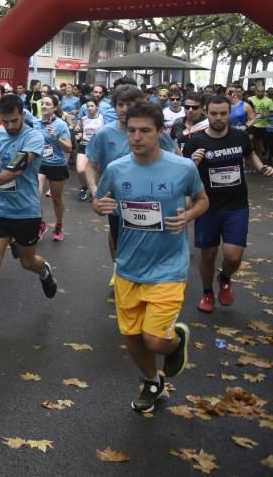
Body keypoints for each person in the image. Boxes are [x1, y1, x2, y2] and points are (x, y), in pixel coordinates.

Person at [92, 101, 208, 413]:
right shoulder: (116, 170)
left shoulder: (182, 168)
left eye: (145, 131)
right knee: (132, 338)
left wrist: (188, 217)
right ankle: (152, 381)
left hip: (169, 266)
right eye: (131, 130)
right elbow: (101, 200)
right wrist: (99, 206)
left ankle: (175, 341)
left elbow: (202, 200)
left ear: (160, 133)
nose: (137, 137)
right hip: (128, 267)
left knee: (155, 340)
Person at [0, 94, 58, 350]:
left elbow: (17, 170)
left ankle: (45, 272)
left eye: (14, 121)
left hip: (25, 212)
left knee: (26, 261)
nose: (10, 126)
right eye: (6, 121)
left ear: (22, 114)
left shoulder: (33, 137)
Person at [183, 96, 273, 313]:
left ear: (229, 113)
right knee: (209, 254)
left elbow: (249, 155)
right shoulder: (196, 141)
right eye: (214, 113)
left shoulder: (240, 136)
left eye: (223, 113)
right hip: (206, 206)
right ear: (206, 112)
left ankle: (224, 278)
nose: (219, 118)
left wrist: (261, 167)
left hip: (236, 205)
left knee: (233, 256)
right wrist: (193, 162)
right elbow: (184, 173)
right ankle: (207, 292)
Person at [88, 87, 176, 267]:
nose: (124, 109)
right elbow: (91, 165)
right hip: (116, 197)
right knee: (117, 236)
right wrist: (95, 190)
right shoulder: (103, 133)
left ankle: (149, 269)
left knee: (148, 236)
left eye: (129, 104)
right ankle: (118, 268)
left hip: (150, 194)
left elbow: (176, 157)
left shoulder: (154, 131)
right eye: (120, 104)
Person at [36, 95, 72, 242]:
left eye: (48, 104)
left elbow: (69, 148)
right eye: (42, 103)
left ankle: (59, 225)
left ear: (55, 108)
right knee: (36, 196)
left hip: (57, 164)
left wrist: (56, 137)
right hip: (40, 164)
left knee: (56, 199)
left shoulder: (61, 125)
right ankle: (40, 224)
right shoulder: (35, 122)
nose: (44, 106)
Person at [73, 98, 104, 202]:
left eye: (92, 106)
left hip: (97, 148)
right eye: (88, 106)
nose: (90, 108)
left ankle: (93, 191)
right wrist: (78, 133)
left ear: (97, 107)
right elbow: (78, 130)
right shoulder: (83, 119)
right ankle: (84, 187)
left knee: (93, 170)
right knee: (80, 169)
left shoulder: (102, 119)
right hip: (84, 145)